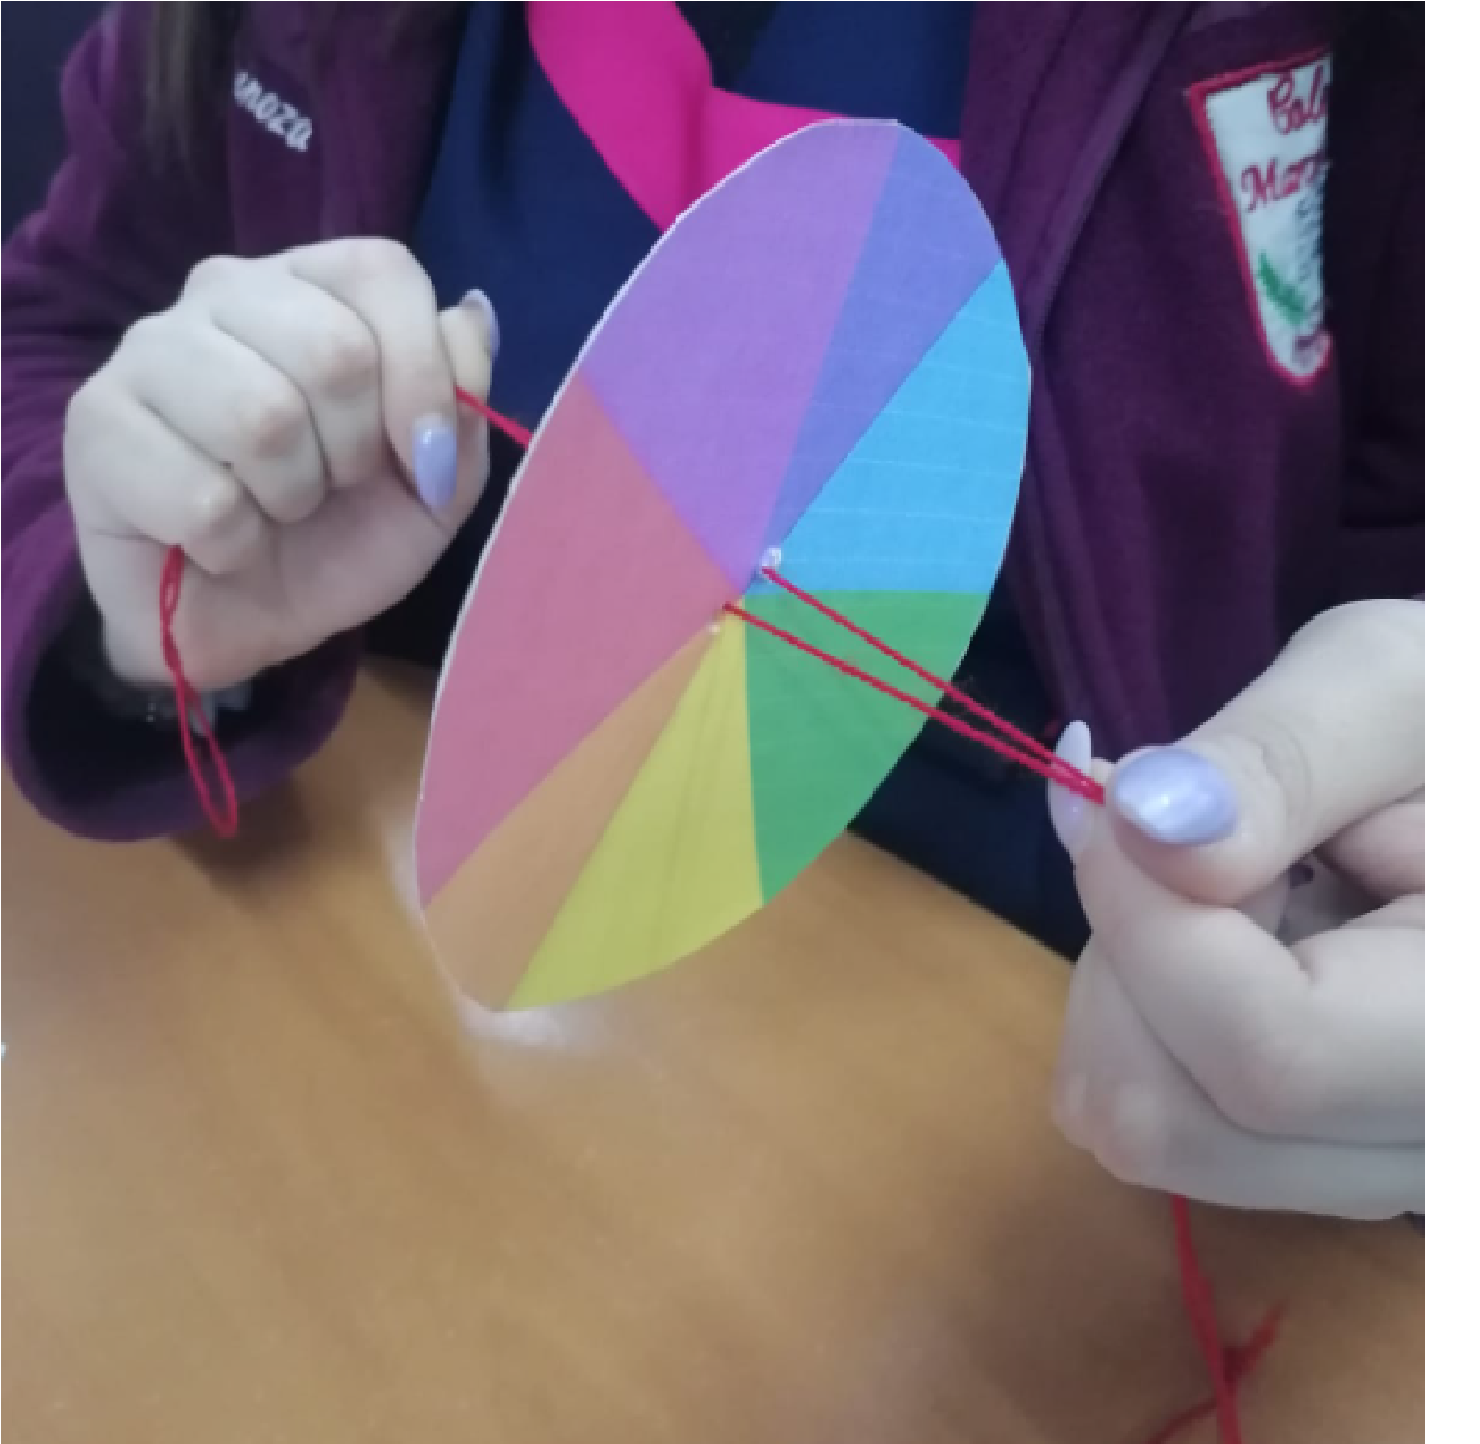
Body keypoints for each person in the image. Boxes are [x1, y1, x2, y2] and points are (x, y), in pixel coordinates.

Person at [1, 4, 1423, 1219]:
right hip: (389, 1085)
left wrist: (1390, 872)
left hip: (1013, 1210)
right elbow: (63, 329)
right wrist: (142, 605)